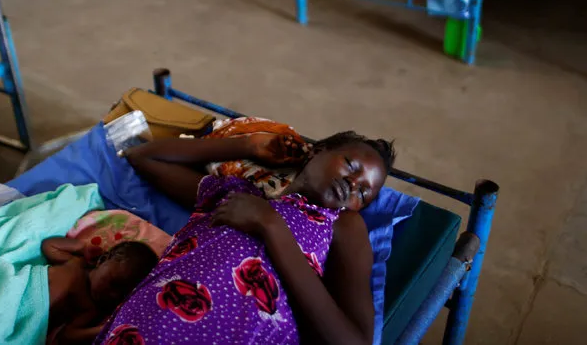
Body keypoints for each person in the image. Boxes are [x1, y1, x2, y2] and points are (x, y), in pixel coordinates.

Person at [96, 131, 395, 345]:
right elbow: (143, 156)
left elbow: (354, 340)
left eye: (364, 193)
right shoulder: (236, 194)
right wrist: (249, 144)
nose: (353, 184)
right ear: (316, 151)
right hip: (140, 326)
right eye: (351, 166)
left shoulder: (342, 224)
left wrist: (272, 227)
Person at [43, 238, 158, 344]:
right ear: (103, 259)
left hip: (33, 321)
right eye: (114, 284)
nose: (114, 295)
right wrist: (82, 247)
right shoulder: (76, 263)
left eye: (122, 296)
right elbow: (49, 245)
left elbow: (66, 336)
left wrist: (106, 328)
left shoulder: (90, 309)